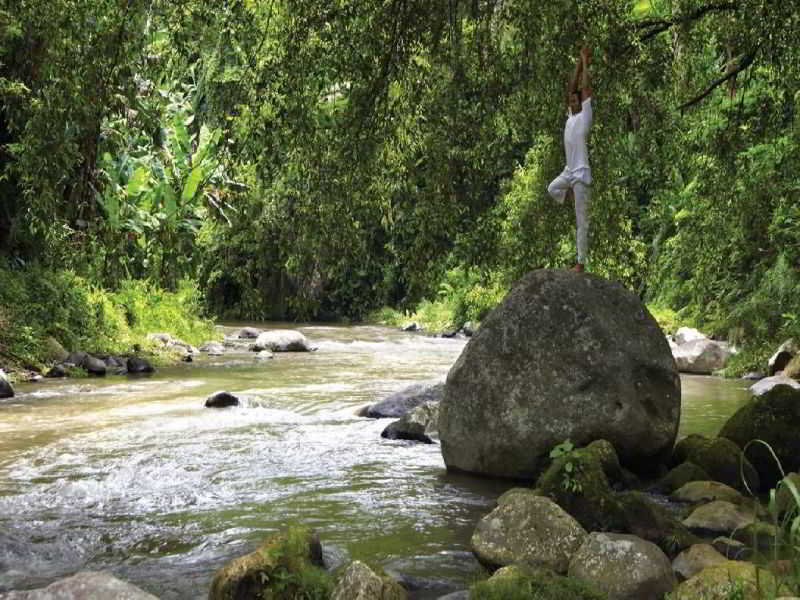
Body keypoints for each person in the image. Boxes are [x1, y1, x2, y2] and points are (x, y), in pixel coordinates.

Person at [547, 45, 593, 272]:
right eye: (571, 101)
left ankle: (580, 263)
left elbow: (583, 89)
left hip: (581, 173)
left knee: (581, 222)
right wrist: (577, 62)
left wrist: (585, 63)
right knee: (552, 188)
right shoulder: (570, 117)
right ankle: (570, 195)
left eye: (576, 101)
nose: (573, 102)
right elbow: (572, 87)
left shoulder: (585, 116)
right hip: (569, 172)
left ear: (580, 103)